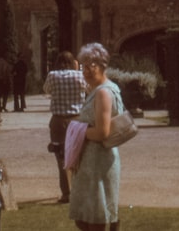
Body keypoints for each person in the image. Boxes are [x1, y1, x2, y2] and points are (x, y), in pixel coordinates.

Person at [69, 43, 124, 231]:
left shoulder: (103, 93)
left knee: (95, 221)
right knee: (84, 219)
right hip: (92, 164)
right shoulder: (101, 89)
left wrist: (77, 129)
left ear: (102, 65)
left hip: (98, 164)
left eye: (90, 66)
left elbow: (102, 132)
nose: (85, 71)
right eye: (83, 66)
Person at [43, 51, 86, 203]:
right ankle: (80, 190)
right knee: (79, 156)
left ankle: (67, 193)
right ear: (73, 62)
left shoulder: (52, 76)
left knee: (61, 158)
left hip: (58, 121)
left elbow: (47, 91)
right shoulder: (80, 76)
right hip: (77, 119)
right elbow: (87, 89)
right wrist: (77, 69)